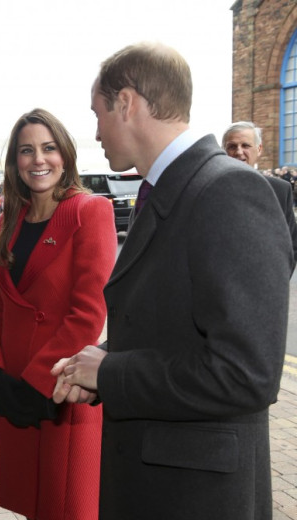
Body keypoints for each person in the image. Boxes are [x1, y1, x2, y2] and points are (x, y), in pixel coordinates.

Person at [52, 42, 292, 520]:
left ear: (127, 103)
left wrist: (112, 373)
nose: (95, 130)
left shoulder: (228, 189)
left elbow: (247, 373)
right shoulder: (168, 187)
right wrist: (101, 360)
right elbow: (167, 323)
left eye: (98, 112)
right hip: (156, 479)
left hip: (194, 496)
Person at [0, 108, 117, 520]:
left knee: (66, 506)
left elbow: (88, 313)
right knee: (31, 504)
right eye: (26, 150)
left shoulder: (89, 212)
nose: (38, 159)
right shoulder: (5, 224)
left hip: (59, 389)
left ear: (65, 155)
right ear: (15, 162)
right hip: (13, 389)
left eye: (48, 148)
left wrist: (36, 384)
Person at [222, 121, 297, 267]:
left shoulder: (280, 190)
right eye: (232, 146)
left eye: (245, 145)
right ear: (224, 151)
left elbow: (292, 244)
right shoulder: (210, 189)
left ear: (259, 149)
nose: (238, 152)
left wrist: (275, 281)